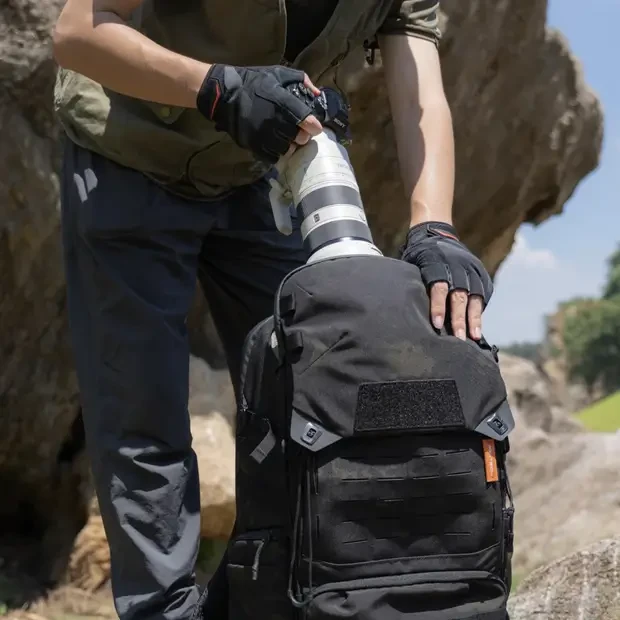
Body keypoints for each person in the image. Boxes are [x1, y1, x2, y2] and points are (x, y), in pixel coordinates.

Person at [51, 2, 494, 620]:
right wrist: (216, 87)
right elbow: (78, 32)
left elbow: (420, 95)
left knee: (313, 395)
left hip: (260, 173)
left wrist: (435, 227)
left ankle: (271, 600)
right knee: (141, 416)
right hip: (126, 153)